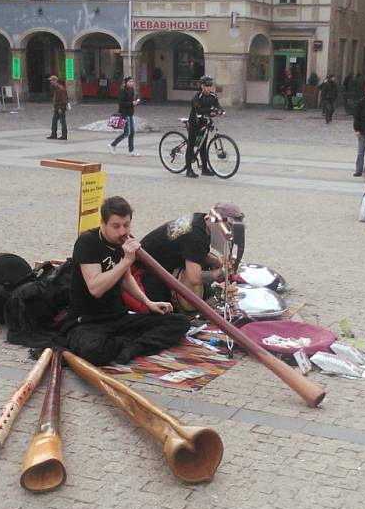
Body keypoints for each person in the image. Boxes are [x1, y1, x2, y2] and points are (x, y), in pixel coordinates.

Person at [65, 196, 190, 365]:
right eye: (116, 226)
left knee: (179, 322)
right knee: (93, 350)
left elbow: (126, 278)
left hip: (118, 316)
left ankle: (131, 348)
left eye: (126, 225)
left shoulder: (123, 240)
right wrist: (125, 262)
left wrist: (147, 302)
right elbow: (95, 288)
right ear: (103, 222)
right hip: (88, 320)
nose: (122, 232)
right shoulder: (87, 242)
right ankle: (130, 345)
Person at [133, 203, 244, 310]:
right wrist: (223, 271)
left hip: (159, 258)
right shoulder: (195, 237)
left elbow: (192, 251)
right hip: (146, 273)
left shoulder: (200, 219)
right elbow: (194, 278)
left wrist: (214, 261)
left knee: (207, 271)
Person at [185, 75, 222, 179]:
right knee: (191, 145)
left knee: (202, 146)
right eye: (206, 85)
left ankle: (205, 169)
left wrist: (220, 110)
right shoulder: (197, 97)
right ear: (202, 86)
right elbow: (199, 110)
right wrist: (211, 110)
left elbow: (217, 105)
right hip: (195, 122)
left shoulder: (213, 96)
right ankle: (188, 170)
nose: (209, 88)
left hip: (204, 123)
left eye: (210, 85)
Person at [108, 76, 140, 157]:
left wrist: (136, 103)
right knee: (127, 133)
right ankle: (112, 144)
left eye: (132, 81)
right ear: (126, 83)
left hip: (131, 113)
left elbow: (131, 101)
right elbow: (121, 102)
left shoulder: (131, 90)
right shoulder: (122, 90)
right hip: (125, 114)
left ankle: (131, 151)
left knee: (132, 132)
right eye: (130, 81)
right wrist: (131, 103)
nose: (132, 83)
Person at [47, 75, 67, 140]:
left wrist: (60, 108)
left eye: (51, 80)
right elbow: (54, 97)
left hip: (60, 108)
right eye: (50, 81)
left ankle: (64, 135)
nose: (50, 82)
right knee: (54, 121)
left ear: (55, 80)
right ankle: (53, 134)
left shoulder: (60, 89)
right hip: (57, 107)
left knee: (62, 121)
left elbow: (63, 99)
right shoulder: (54, 88)